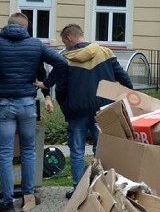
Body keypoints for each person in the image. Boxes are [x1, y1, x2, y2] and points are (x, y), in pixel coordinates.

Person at [0, 13, 67, 212]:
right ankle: (28, 196)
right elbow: (61, 63)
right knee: (28, 152)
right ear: (26, 27)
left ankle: (7, 201)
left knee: (5, 153)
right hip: (27, 104)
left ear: (7, 26)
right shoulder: (36, 45)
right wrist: (46, 84)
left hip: (4, 104)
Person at [54, 23, 133, 198]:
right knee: (101, 150)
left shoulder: (66, 59)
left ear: (69, 38)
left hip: (76, 112)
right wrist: (130, 93)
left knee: (76, 151)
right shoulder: (104, 52)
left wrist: (63, 105)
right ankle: (101, 188)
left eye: (64, 42)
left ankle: (78, 190)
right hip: (103, 110)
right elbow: (122, 76)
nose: (65, 46)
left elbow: (60, 88)